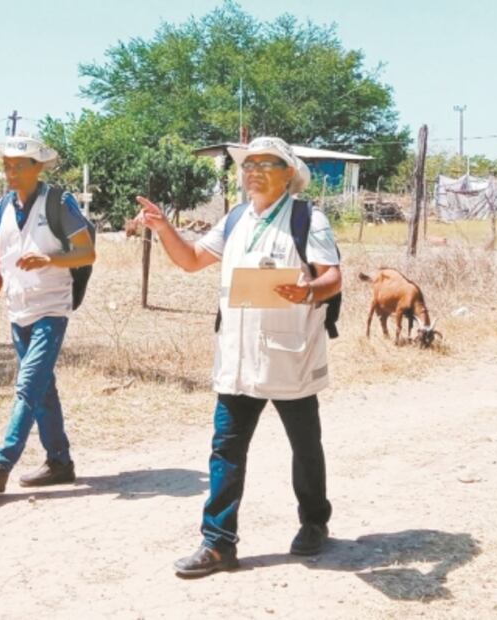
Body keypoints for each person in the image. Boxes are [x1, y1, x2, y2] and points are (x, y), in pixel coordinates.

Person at [138, 136, 342, 578]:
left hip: (290, 356)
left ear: (289, 174)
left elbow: (333, 277)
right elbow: (191, 259)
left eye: (266, 164)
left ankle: (314, 522)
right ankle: (218, 543)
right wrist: (163, 227)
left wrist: (308, 291)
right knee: (225, 449)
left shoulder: (308, 219)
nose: (253, 171)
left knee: (305, 447)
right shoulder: (234, 219)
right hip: (237, 358)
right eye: (248, 164)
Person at [0, 136, 96, 494]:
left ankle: (0, 464)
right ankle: (59, 463)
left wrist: (50, 259)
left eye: (18, 166)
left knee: (27, 385)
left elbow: (87, 253)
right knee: (42, 388)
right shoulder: (2, 207)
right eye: (6, 166)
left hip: (51, 309)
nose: (10, 173)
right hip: (17, 311)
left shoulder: (59, 202)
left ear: (37, 168)